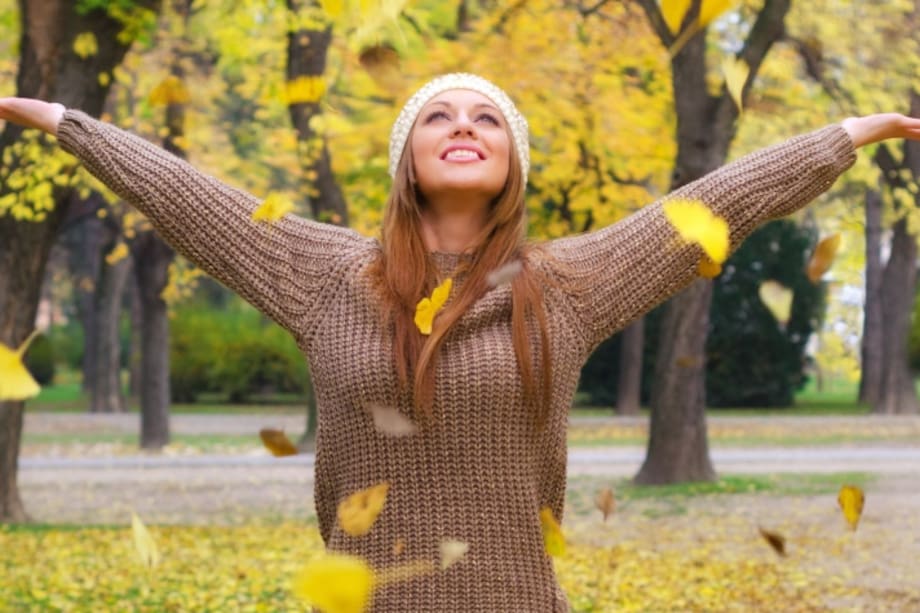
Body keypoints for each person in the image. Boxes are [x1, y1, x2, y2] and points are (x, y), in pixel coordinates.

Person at [2, 73, 920, 611]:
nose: (464, 129)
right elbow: (184, 195)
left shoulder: (570, 283)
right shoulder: (326, 273)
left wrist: (852, 133)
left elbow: (717, 205)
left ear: (513, 162)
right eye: (438, 117)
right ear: (407, 159)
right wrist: (63, 122)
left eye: (487, 119)